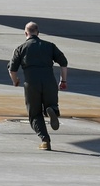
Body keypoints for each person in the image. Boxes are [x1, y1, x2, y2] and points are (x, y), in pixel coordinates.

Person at [8, 21, 69, 151]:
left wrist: (15, 80)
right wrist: (63, 81)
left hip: (31, 84)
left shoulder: (21, 48)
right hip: (49, 82)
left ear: (26, 33)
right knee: (51, 104)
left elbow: (12, 69)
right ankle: (52, 110)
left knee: (35, 114)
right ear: (38, 33)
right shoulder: (50, 46)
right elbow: (64, 63)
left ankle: (45, 140)